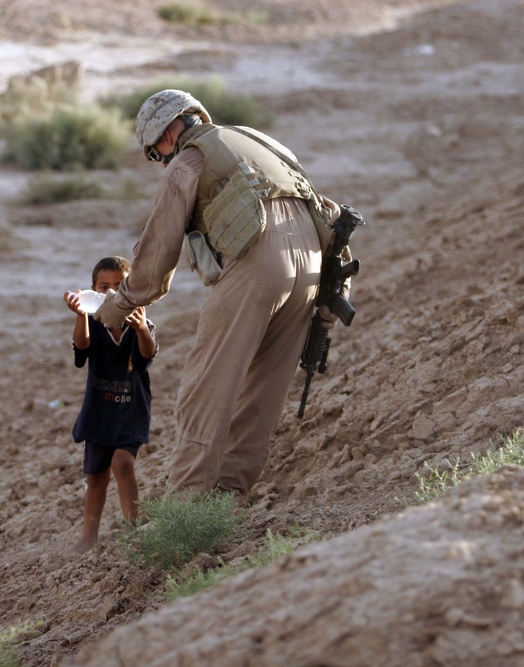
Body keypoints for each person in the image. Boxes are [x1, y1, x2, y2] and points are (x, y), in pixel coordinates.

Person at [94, 89, 343, 501]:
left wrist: (117, 307)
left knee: (206, 391)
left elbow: (156, 257)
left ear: (169, 134)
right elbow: (325, 210)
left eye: (156, 153)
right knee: (261, 396)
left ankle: (187, 507)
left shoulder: (189, 161)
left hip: (257, 269)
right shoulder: (260, 141)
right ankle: (228, 499)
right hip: (314, 269)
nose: (162, 161)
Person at [64, 256, 158, 552]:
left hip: (131, 408)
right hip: (100, 410)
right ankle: (88, 536)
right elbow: (82, 349)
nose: (111, 294)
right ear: (92, 290)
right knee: (95, 476)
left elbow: (146, 357)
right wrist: (80, 315)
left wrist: (142, 328)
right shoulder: (92, 323)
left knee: (123, 462)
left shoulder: (140, 320)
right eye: (103, 287)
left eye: (119, 287)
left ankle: (134, 530)